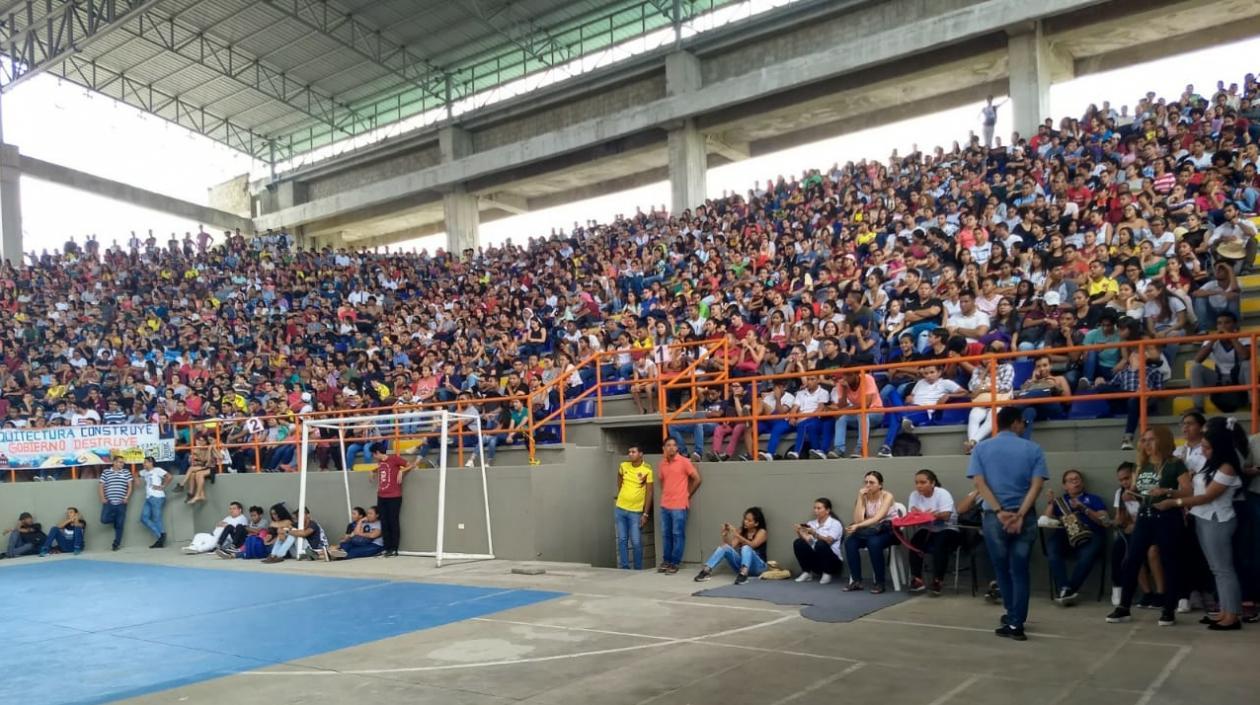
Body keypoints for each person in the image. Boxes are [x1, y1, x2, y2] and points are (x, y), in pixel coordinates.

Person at [968, 407, 1048, 641]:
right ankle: (1017, 622)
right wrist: (1021, 513)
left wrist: (1000, 511)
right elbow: (1037, 485)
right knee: (1020, 570)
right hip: (1025, 517)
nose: (1024, 425)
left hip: (995, 518)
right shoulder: (1033, 448)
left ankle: (1012, 616)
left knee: (1002, 569)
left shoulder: (981, 448)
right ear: (1014, 424)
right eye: (1023, 422)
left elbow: (980, 484)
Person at [1154, 423, 1244, 630]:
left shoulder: (1227, 467)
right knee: (1217, 569)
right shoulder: (1211, 464)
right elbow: (1195, 490)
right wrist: (1169, 491)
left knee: (1223, 569)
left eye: (1208, 447)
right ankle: (1225, 611)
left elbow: (1206, 496)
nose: (1203, 450)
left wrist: (1173, 502)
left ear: (1220, 447)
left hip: (1217, 519)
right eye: (1203, 446)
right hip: (1203, 518)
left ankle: (1232, 616)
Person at [1108, 425, 1191, 626]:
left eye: (1151, 439)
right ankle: (1124, 607)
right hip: (1145, 515)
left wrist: (1167, 491)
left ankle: (1168, 608)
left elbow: (1188, 491)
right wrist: (1131, 493)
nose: (1146, 443)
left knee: (1170, 562)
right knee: (1132, 559)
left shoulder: (1175, 464)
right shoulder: (1142, 465)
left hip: (1167, 515)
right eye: (1144, 440)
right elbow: (1137, 490)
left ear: (1161, 440)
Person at [1042, 469, 1109, 606]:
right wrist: (1050, 504)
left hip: (1090, 535)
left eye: (1077, 479)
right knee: (1052, 549)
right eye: (1070, 480)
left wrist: (1084, 508)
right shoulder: (1060, 501)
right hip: (1065, 536)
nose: (1075, 482)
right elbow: (1045, 520)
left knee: (1087, 555)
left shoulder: (1093, 499)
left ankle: (1068, 590)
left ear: (1082, 483)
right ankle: (1065, 588)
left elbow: (1105, 521)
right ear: (1065, 486)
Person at [906, 469, 960, 596]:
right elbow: (912, 514)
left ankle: (938, 580)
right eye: (917, 483)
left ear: (932, 483)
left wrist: (925, 515)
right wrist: (929, 515)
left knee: (940, 544)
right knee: (914, 543)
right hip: (927, 528)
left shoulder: (942, 493)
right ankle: (918, 579)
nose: (919, 486)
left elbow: (946, 515)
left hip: (948, 528)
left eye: (923, 482)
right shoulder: (914, 495)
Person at [842, 470, 898, 594]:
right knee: (850, 542)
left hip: (888, 531)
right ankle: (856, 581)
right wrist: (860, 498)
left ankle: (880, 582)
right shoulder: (864, 497)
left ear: (880, 485)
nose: (868, 485)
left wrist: (857, 526)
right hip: (869, 531)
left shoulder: (887, 496)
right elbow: (857, 519)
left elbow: (877, 518)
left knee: (873, 543)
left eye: (872, 482)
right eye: (866, 482)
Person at [1188, 312, 1250, 412]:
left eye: (1227, 323)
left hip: (1239, 377)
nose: (1223, 326)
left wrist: (1231, 337)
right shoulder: (1212, 340)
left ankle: (1254, 403)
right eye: (1220, 323)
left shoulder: (1244, 338)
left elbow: (1245, 356)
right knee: (1196, 368)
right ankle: (1198, 407)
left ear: (1234, 325)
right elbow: (1197, 359)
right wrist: (1213, 340)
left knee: (1248, 364)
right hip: (1219, 378)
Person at [657, 437, 702, 574]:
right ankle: (666, 561)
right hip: (665, 505)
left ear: (677, 448)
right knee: (666, 535)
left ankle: (675, 563)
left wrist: (688, 495)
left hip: (679, 505)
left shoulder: (684, 462)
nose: (671, 448)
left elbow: (697, 479)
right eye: (668, 445)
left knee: (678, 534)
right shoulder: (662, 464)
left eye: (674, 445)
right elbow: (662, 482)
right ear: (664, 448)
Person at [693, 507, 768, 585]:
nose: (745, 522)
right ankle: (706, 571)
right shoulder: (742, 531)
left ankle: (744, 574)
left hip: (758, 568)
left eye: (749, 521)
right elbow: (731, 546)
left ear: (756, 523)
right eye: (745, 519)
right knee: (724, 547)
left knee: (746, 547)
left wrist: (737, 535)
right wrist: (725, 535)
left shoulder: (762, 532)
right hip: (741, 568)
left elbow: (753, 545)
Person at [371, 447, 418, 557]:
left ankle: (394, 548)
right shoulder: (380, 462)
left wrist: (402, 471)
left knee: (393, 521)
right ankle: (387, 547)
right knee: (384, 522)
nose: (373, 457)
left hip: (394, 496)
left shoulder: (394, 459)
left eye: (373, 454)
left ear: (377, 452)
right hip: (381, 496)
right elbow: (378, 469)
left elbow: (411, 465)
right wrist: (372, 471)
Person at [614, 445, 653, 570]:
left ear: (640, 454)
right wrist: (622, 493)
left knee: (636, 542)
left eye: (633, 452)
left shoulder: (647, 470)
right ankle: (625, 567)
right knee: (622, 540)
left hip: (635, 512)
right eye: (629, 452)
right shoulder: (623, 466)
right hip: (620, 509)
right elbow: (619, 478)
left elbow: (649, 493)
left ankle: (638, 569)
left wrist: (645, 513)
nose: (630, 454)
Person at [793, 497, 844, 584]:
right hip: (817, 561)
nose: (815, 510)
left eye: (819, 508)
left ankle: (827, 573)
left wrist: (814, 533)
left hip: (832, 562)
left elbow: (829, 541)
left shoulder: (835, 524)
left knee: (820, 544)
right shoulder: (811, 523)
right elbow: (809, 541)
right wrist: (800, 532)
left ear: (827, 510)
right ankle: (807, 572)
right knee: (798, 543)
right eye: (814, 508)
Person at [99, 457, 133, 551]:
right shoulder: (106, 472)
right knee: (104, 519)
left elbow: (130, 486)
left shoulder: (126, 472)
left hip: (121, 502)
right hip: (109, 502)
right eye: (120, 462)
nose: (122, 464)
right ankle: (115, 521)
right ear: (114, 462)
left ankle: (116, 544)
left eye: (123, 463)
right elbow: (101, 486)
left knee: (120, 525)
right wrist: (102, 497)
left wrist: (126, 497)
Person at [137, 457, 172, 549]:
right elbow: (135, 473)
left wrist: (163, 486)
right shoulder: (144, 472)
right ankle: (161, 535)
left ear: (151, 463)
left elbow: (169, 476)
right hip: (149, 497)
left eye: (145, 462)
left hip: (157, 497)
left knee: (157, 518)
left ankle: (160, 538)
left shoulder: (158, 470)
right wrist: (136, 479)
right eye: (143, 462)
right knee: (143, 518)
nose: (143, 464)